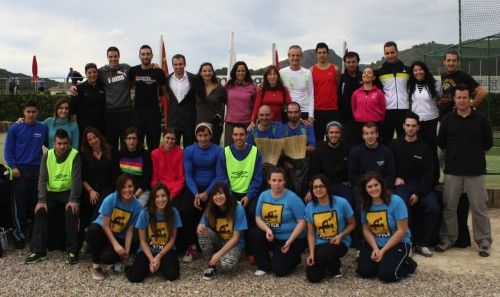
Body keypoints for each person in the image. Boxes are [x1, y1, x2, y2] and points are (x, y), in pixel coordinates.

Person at [436, 85, 493, 257]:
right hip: (453, 171)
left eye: (464, 98)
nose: (461, 101)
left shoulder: (481, 119)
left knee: (479, 208)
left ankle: (484, 242)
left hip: (475, 171)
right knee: (449, 208)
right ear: (454, 99)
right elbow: (442, 144)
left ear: (470, 99)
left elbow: (487, 144)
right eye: (458, 98)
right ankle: (448, 239)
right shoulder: (447, 120)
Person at [25, 129, 81, 265]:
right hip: (51, 194)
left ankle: (72, 251)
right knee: (40, 211)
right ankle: (39, 251)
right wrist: (41, 200)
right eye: (59, 143)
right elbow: (42, 179)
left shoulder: (75, 155)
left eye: (65, 143)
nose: (62, 146)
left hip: (68, 193)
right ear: (53, 143)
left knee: (71, 211)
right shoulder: (47, 155)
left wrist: (73, 200)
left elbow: (76, 180)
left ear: (69, 143)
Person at [390, 113, 440, 257]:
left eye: (413, 126)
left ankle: (423, 243)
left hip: (421, 187)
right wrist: (394, 178)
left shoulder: (425, 148)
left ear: (418, 127)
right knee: (403, 206)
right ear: (403, 127)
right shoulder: (394, 145)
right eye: (408, 126)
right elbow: (389, 167)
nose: (410, 129)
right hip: (402, 186)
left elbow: (428, 174)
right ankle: (408, 243)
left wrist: (418, 193)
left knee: (433, 208)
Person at [356, 172, 416, 283]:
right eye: (369, 186)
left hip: (398, 242)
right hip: (376, 242)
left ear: (381, 185)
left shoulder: (396, 201)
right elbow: (366, 229)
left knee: (387, 275)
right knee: (364, 271)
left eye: (376, 185)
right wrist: (375, 248)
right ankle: (385, 261)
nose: (373, 189)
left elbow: (401, 231)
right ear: (365, 189)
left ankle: (409, 264)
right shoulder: (365, 205)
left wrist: (382, 251)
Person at [4, 101, 48, 249]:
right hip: (20, 172)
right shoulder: (15, 127)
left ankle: (34, 235)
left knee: (36, 205)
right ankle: (19, 234)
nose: (31, 114)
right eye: (28, 111)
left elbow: (51, 145)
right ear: (24, 112)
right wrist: (13, 167)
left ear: (37, 112)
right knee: (19, 206)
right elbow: (8, 149)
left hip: (37, 171)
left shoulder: (42, 128)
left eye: (33, 111)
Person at [250, 167, 306, 277]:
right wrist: (267, 230)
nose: (277, 184)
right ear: (268, 181)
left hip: (293, 239)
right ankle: (264, 265)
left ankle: (294, 258)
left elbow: (303, 222)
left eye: (280, 180)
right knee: (254, 233)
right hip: (274, 236)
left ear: (285, 181)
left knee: (279, 271)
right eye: (274, 180)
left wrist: (289, 241)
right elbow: (258, 218)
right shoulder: (264, 195)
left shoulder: (292, 198)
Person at [85, 173, 143, 280]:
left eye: (130, 186)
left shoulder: (138, 206)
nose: (127, 190)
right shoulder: (111, 199)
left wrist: (126, 250)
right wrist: (116, 245)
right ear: (118, 188)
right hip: (102, 230)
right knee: (92, 231)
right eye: (123, 187)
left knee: (108, 257)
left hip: (118, 235)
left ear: (134, 187)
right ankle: (96, 266)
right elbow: (105, 225)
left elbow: (130, 230)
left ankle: (95, 248)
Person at [125, 183, 181, 282]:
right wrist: (152, 259)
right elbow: (142, 241)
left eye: (163, 196)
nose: (160, 199)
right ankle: (129, 267)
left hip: (166, 250)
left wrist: (159, 256)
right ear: (152, 199)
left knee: (172, 275)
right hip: (147, 250)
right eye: (157, 196)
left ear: (168, 197)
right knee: (134, 278)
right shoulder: (144, 213)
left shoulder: (174, 212)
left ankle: (157, 265)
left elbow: (172, 239)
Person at [305, 174, 355, 282]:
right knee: (313, 277)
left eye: (321, 186)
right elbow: (311, 233)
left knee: (326, 253)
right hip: (320, 244)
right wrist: (312, 254)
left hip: (339, 242)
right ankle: (331, 266)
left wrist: (341, 236)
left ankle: (332, 265)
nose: (318, 189)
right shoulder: (309, 207)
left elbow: (352, 224)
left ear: (327, 187)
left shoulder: (342, 202)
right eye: (315, 187)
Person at [183, 123, 222, 261]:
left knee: (212, 209)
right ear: (196, 136)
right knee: (186, 209)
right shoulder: (189, 150)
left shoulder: (218, 150)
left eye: (206, 135)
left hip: (212, 187)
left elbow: (219, 175)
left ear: (211, 135)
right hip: (194, 188)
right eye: (200, 135)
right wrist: (196, 194)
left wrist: (207, 192)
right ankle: (191, 245)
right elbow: (188, 175)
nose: (203, 138)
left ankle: (210, 244)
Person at [197, 182, 248, 280]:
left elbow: (236, 238)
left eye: (221, 193)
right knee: (203, 232)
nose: (217, 197)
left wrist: (219, 254)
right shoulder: (210, 207)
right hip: (218, 241)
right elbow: (200, 226)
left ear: (227, 194)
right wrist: (199, 227)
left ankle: (224, 258)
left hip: (234, 244)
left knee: (227, 264)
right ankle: (211, 265)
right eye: (214, 194)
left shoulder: (238, 208)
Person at [79, 127, 114, 246]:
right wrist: (90, 191)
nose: (93, 141)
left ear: (99, 137)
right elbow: (82, 178)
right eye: (90, 139)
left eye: (95, 137)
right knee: (89, 202)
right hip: (91, 188)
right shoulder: (84, 155)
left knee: (103, 201)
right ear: (87, 142)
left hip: (108, 187)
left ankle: (90, 234)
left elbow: (115, 174)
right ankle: (90, 234)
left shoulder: (110, 151)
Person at [129, 45, 168, 150]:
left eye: (148, 54)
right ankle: (140, 166)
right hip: (138, 113)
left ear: (152, 56)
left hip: (154, 113)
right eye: (143, 54)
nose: (145, 56)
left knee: (154, 146)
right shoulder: (133, 71)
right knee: (138, 145)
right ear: (139, 56)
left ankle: (153, 166)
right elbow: (129, 87)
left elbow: (165, 92)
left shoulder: (158, 72)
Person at [407, 61, 440, 184]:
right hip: (417, 123)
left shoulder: (434, 83)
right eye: (415, 70)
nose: (418, 72)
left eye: (420, 69)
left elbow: (441, 99)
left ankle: (434, 179)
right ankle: (418, 178)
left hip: (432, 121)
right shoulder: (410, 85)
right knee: (417, 151)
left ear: (425, 70)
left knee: (431, 151)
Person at [307, 121, 353, 207]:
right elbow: (313, 173)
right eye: (331, 132)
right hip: (323, 185)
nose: (334, 135)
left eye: (337, 132)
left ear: (341, 134)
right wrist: (310, 190)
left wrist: (350, 180)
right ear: (327, 134)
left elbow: (352, 169)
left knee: (349, 201)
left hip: (342, 185)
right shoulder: (318, 151)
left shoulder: (349, 150)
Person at [376, 41, 410, 144]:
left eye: (392, 52)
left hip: (404, 110)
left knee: (404, 140)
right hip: (387, 112)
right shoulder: (379, 71)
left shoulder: (407, 69)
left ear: (397, 52)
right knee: (386, 140)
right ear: (384, 54)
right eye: (387, 53)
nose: (390, 55)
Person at [439, 50, 487, 117]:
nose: (451, 63)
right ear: (444, 62)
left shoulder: (464, 76)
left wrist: (471, 106)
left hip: (457, 118)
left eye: (454, 60)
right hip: (443, 117)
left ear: (458, 62)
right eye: (448, 60)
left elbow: (482, 92)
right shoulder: (443, 76)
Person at [347, 122, 396, 189]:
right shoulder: (355, 152)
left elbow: (391, 174)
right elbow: (352, 174)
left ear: (377, 134)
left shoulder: (387, 151)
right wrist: (366, 187)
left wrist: (379, 187)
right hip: (362, 188)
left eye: (372, 133)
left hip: (382, 188)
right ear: (363, 136)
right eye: (366, 133)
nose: (370, 136)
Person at [113, 127, 151, 206]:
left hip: (141, 192)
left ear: (137, 140)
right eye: (129, 138)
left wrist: (135, 195)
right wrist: (125, 192)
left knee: (136, 210)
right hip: (124, 190)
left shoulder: (145, 154)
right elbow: (116, 176)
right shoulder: (119, 155)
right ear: (125, 140)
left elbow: (147, 178)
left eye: (134, 138)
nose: (131, 141)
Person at [310, 42, 340, 143]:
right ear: (316, 54)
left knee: (332, 139)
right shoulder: (311, 70)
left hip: (333, 110)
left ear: (327, 54)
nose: (322, 54)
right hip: (317, 110)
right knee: (317, 138)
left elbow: (338, 86)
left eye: (324, 52)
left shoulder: (335, 69)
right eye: (319, 52)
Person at [166, 54, 197, 147]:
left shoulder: (194, 78)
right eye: (175, 64)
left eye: (180, 64)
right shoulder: (167, 79)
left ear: (185, 64)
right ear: (172, 65)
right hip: (173, 120)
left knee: (189, 148)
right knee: (173, 149)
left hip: (189, 120)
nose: (178, 67)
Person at [279, 45, 314, 123]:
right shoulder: (281, 72)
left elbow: (311, 94)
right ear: (288, 56)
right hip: (287, 112)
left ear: (301, 57)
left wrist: (311, 115)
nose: (295, 58)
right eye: (293, 55)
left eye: (298, 55)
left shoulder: (307, 73)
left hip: (304, 111)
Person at [224, 61, 256, 146]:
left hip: (247, 124)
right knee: (229, 150)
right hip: (231, 123)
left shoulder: (252, 86)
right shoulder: (228, 85)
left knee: (247, 150)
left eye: (243, 71)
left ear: (246, 72)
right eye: (238, 71)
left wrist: (253, 120)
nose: (240, 73)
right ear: (234, 72)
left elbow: (256, 106)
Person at [351, 67, 386, 144]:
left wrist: (378, 120)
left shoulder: (379, 93)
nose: (366, 74)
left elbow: (383, 109)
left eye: (369, 72)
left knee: (375, 145)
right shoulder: (355, 93)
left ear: (374, 77)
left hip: (376, 123)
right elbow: (354, 109)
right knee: (360, 146)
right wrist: (358, 117)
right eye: (364, 72)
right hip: (360, 124)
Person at [195, 62, 227, 145]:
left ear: (213, 72)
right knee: (200, 151)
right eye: (204, 71)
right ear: (201, 73)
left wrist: (222, 120)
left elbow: (227, 105)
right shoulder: (196, 88)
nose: (207, 73)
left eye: (209, 71)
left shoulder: (220, 89)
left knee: (214, 151)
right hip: (199, 125)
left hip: (215, 126)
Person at [71, 63, 106, 136]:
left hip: (100, 126)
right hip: (84, 127)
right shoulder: (78, 88)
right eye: (89, 73)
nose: (92, 74)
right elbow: (73, 110)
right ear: (86, 74)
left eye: (94, 72)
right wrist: (74, 126)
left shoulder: (102, 87)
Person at [338, 51, 363, 146]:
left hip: (362, 118)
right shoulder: (342, 78)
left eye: (353, 62)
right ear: (345, 63)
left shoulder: (363, 77)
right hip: (346, 119)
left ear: (357, 62)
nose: (351, 64)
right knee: (347, 145)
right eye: (348, 62)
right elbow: (339, 97)